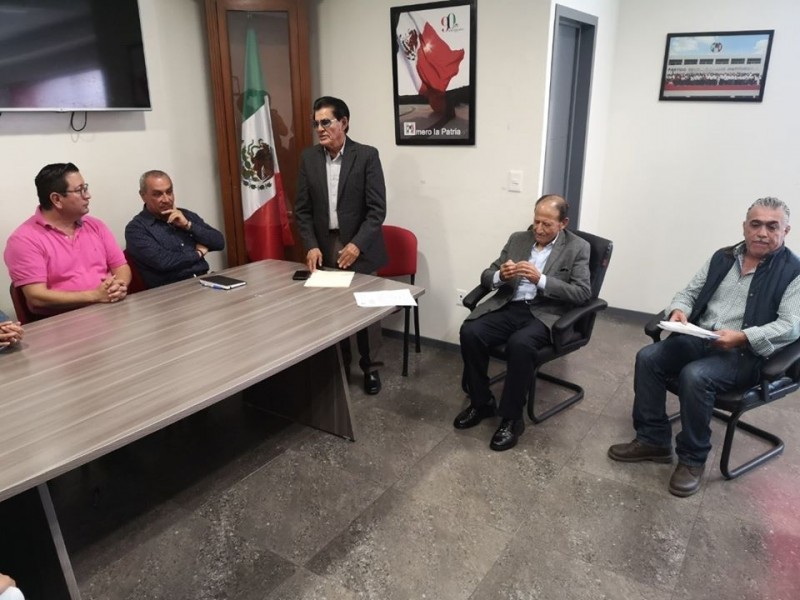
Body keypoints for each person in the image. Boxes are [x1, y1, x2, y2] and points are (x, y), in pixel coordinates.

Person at [608, 197, 800, 497]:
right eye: (756, 224)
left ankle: (692, 459)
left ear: (785, 231)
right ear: (745, 226)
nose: (762, 232)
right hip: (702, 337)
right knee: (648, 357)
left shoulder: (793, 272)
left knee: (695, 376)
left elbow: (790, 326)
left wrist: (743, 336)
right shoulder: (723, 257)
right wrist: (679, 311)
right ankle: (652, 440)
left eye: (772, 226)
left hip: (744, 353)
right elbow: (689, 292)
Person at [456, 195, 591, 451]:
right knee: (471, 331)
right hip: (509, 305)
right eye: (536, 221)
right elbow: (487, 274)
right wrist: (500, 275)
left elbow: (582, 292)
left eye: (547, 224)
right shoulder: (518, 239)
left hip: (544, 313)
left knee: (520, 344)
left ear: (563, 223)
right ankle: (481, 403)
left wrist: (542, 280)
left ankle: (511, 419)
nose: (538, 229)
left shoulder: (578, 247)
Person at [294, 96, 388, 395]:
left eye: (326, 122)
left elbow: (377, 210)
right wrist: (310, 245)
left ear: (344, 123)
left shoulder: (367, 156)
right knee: (332, 309)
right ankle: (340, 365)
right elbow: (302, 210)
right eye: (316, 124)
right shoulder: (309, 158)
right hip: (325, 244)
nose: (319, 129)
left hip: (361, 243)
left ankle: (371, 368)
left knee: (366, 310)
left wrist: (357, 245)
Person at [4, 163, 131, 316]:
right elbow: (36, 296)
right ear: (57, 199)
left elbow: (121, 267)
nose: (88, 195)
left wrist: (119, 286)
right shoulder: (23, 240)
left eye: (85, 188)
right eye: (80, 190)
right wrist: (95, 296)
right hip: (63, 320)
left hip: (111, 310)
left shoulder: (96, 225)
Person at [125, 170, 225, 288]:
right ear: (143, 196)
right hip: (171, 290)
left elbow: (219, 242)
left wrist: (188, 225)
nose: (166, 199)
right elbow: (164, 262)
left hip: (205, 281)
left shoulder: (185, 215)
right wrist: (198, 253)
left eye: (169, 192)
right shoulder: (136, 229)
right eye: (157, 194)